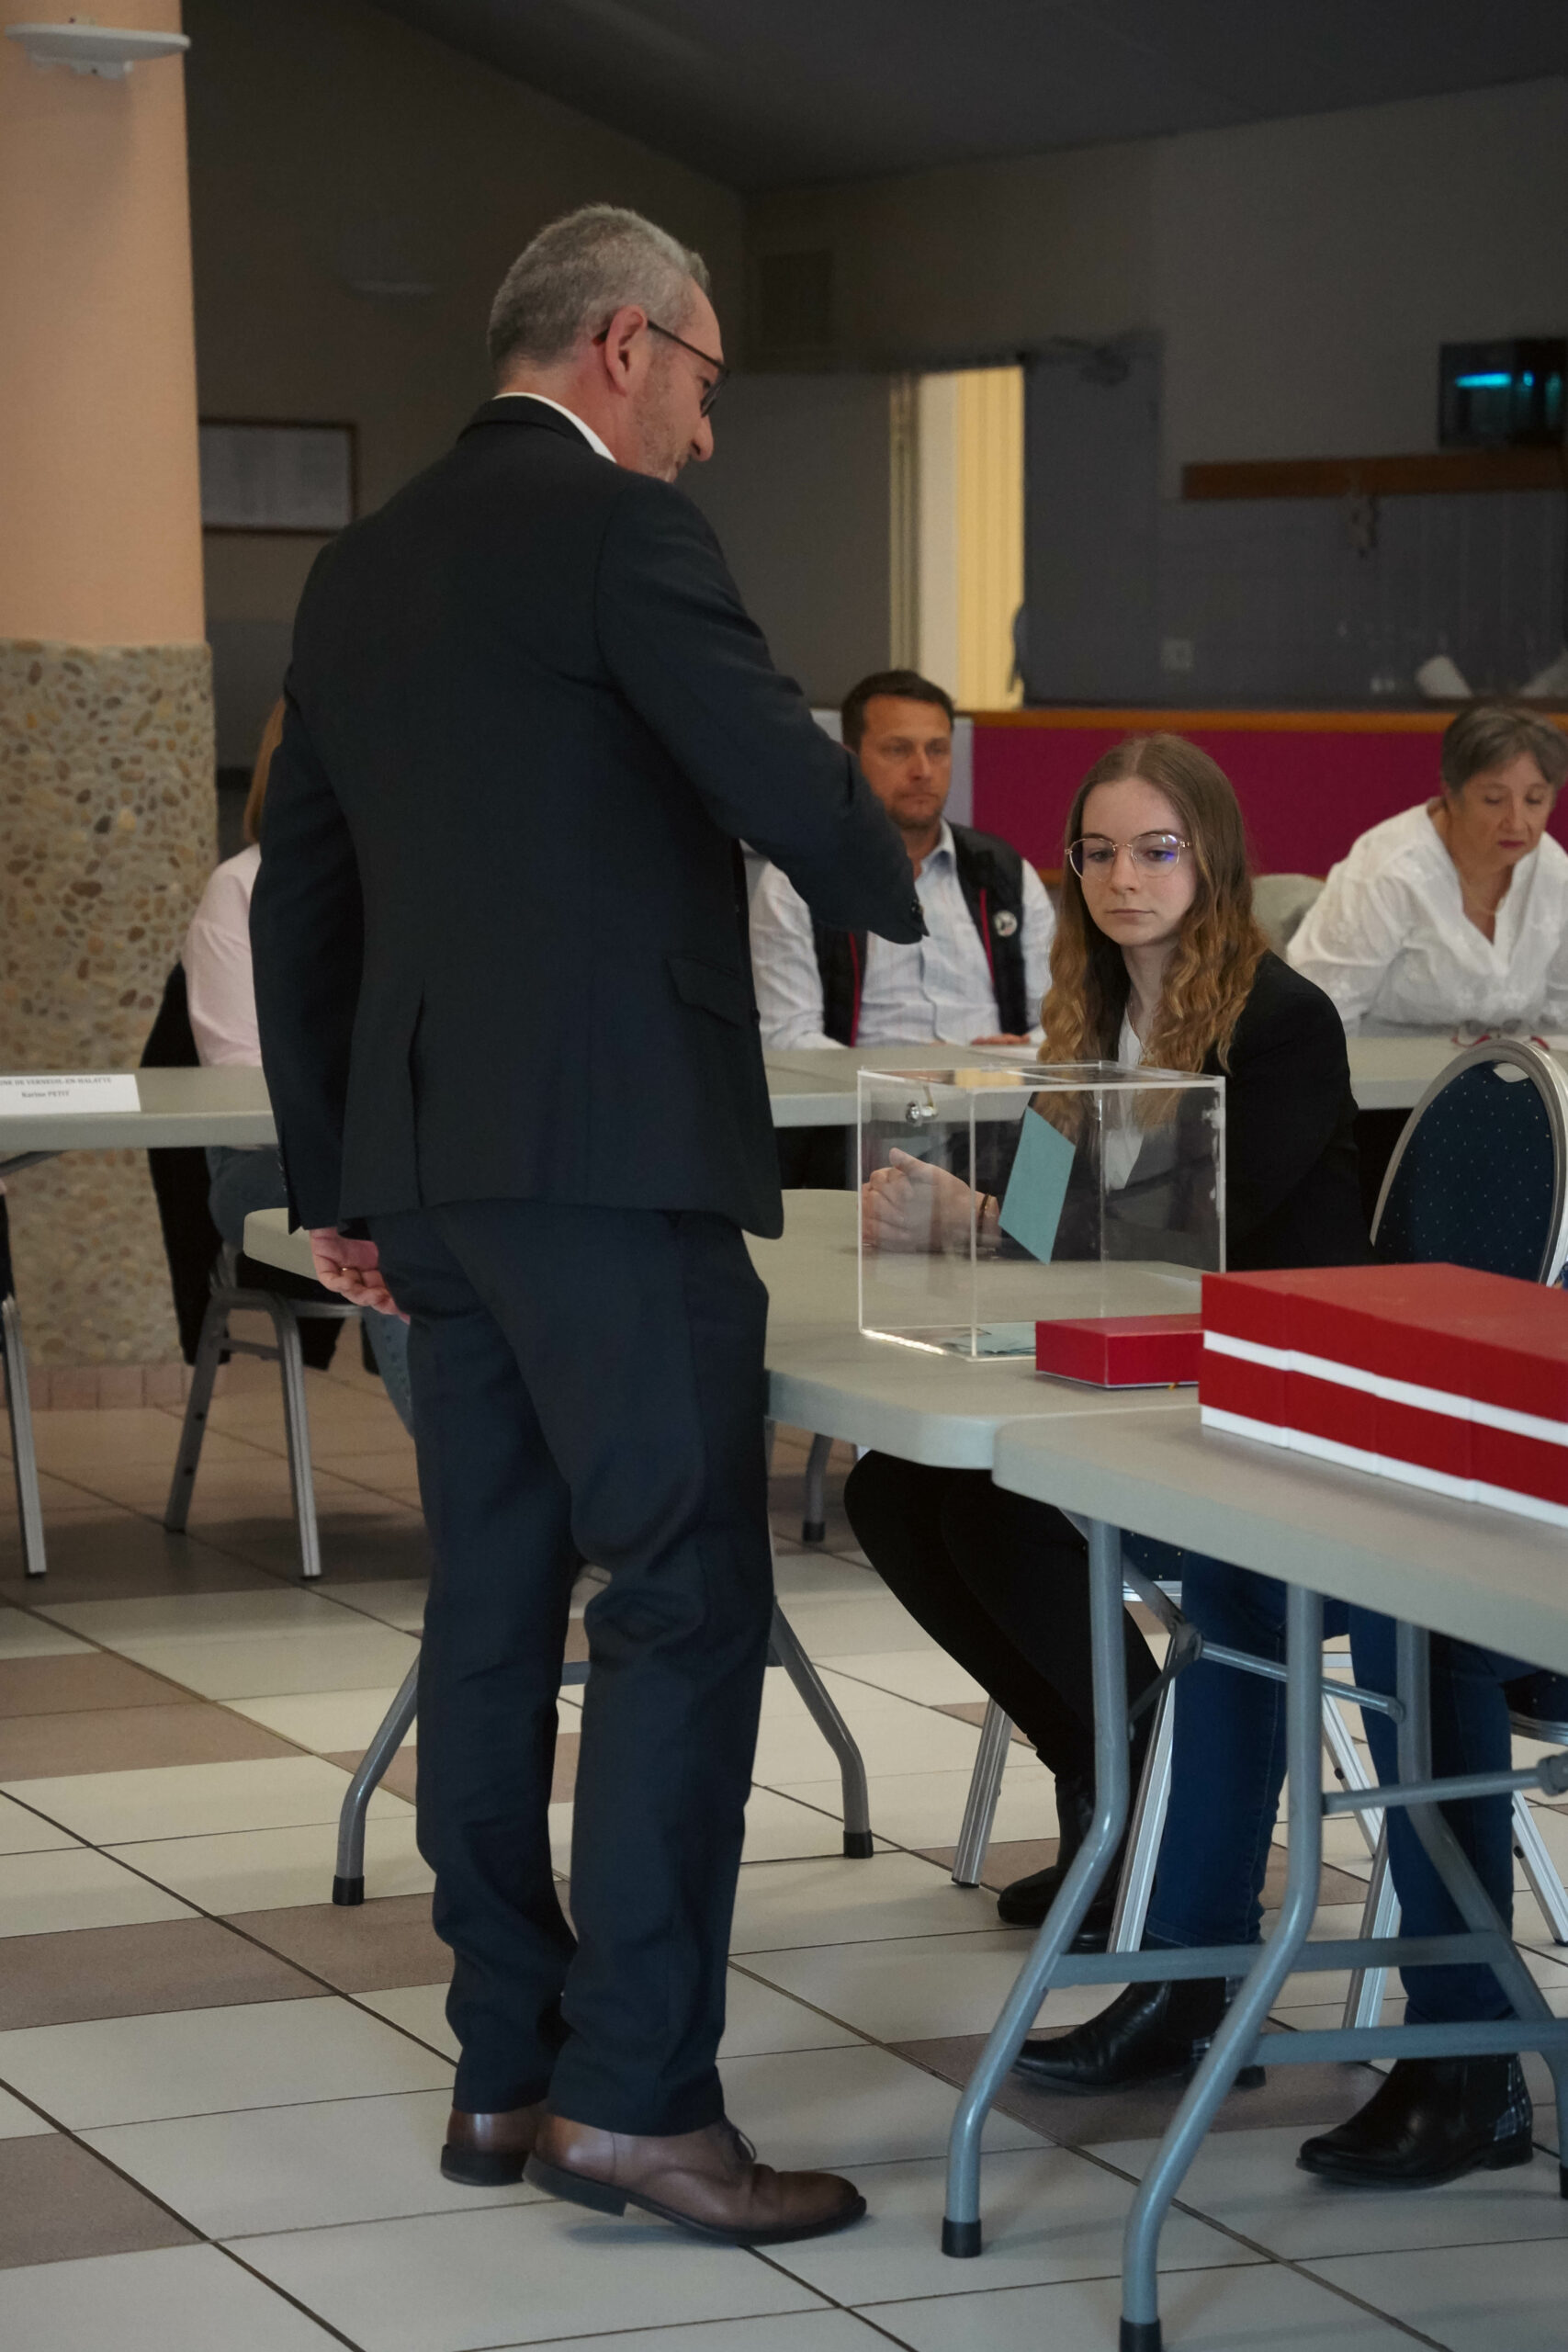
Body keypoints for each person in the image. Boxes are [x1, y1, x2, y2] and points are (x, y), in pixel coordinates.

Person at [250, 204, 921, 2248]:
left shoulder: (362, 567)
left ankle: (507, 2065)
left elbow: (302, 892)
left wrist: (343, 1177)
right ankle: (636, 2104)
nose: (708, 430)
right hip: (613, 1160)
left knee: (489, 1607)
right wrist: (887, 870)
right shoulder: (623, 533)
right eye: (705, 381)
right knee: (679, 1599)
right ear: (626, 344)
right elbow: (782, 775)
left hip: (440, 1179)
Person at [848, 734, 1367, 1959]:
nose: (1123, 878)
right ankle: (1105, 1775)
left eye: (1155, 850)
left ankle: (1146, 1798)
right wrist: (944, 1205)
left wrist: (975, 1219)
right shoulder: (1090, 1008)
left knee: (995, 1510)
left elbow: (1201, 1225)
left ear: (1211, 857)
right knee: (893, 1492)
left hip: (1270, 1404)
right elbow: (1046, 1214)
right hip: (1137, 1377)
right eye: (1097, 852)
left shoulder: (1280, 1021)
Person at [184, 701, 414, 1432]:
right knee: (400, 1229)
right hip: (266, 1160)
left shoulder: (418, 883)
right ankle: (467, 1476)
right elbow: (242, 1078)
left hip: (399, 1148)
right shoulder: (242, 885)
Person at [750, 669, 1055, 1053]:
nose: (923, 771)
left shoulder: (1006, 873)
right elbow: (786, 1038)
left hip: (994, 1086)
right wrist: (898, 1076)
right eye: (898, 750)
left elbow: (1062, 1022)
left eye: (937, 750)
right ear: (849, 759)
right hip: (858, 1090)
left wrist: (1014, 1054)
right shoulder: (798, 878)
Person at [1288, 700, 1568, 1034]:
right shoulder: (1388, 873)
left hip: (1510, 1064)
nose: (1517, 822)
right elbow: (1318, 1020)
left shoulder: (1553, 871)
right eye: (1494, 799)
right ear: (1451, 793)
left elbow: (1561, 1012)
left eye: (1535, 800)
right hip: (1379, 1064)